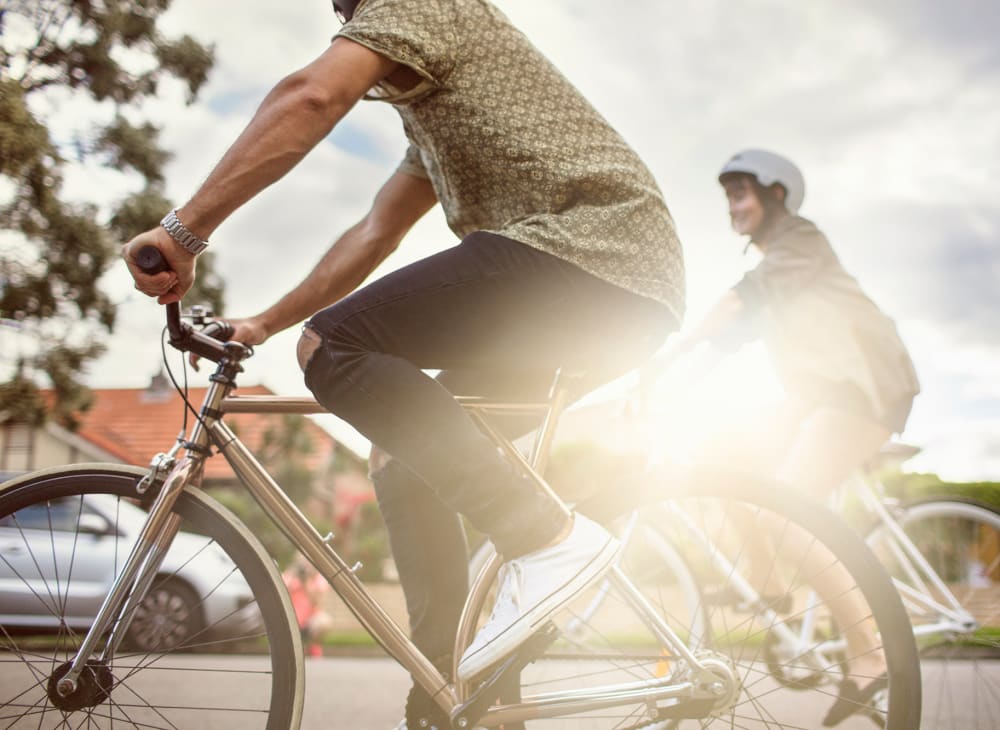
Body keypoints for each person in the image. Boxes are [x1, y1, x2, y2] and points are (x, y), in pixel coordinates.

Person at [123, 0, 684, 726]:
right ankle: (450, 696)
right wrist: (262, 323)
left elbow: (312, 95)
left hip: (594, 257)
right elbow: (374, 233)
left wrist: (183, 231)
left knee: (334, 347)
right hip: (607, 289)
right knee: (396, 452)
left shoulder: (423, 3)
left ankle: (547, 536)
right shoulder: (431, 117)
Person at [661, 148, 919, 726]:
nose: (734, 205)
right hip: (820, 398)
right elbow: (727, 343)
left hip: (863, 385)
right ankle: (775, 589)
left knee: (787, 510)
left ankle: (870, 658)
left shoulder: (801, 242)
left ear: (776, 196)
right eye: (727, 196)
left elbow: (740, 300)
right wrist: (666, 386)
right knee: (724, 460)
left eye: (743, 192)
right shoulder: (776, 269)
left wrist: (673, 347)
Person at [282, 554, 331, 658]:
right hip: (291, 618)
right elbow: (281, 593)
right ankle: (293, 648)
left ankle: (313, 645)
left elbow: (317, 601)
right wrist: (293, 575)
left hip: (310, 621)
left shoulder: (318, 578)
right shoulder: (290, 575)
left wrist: (306, 582)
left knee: (324, 621)